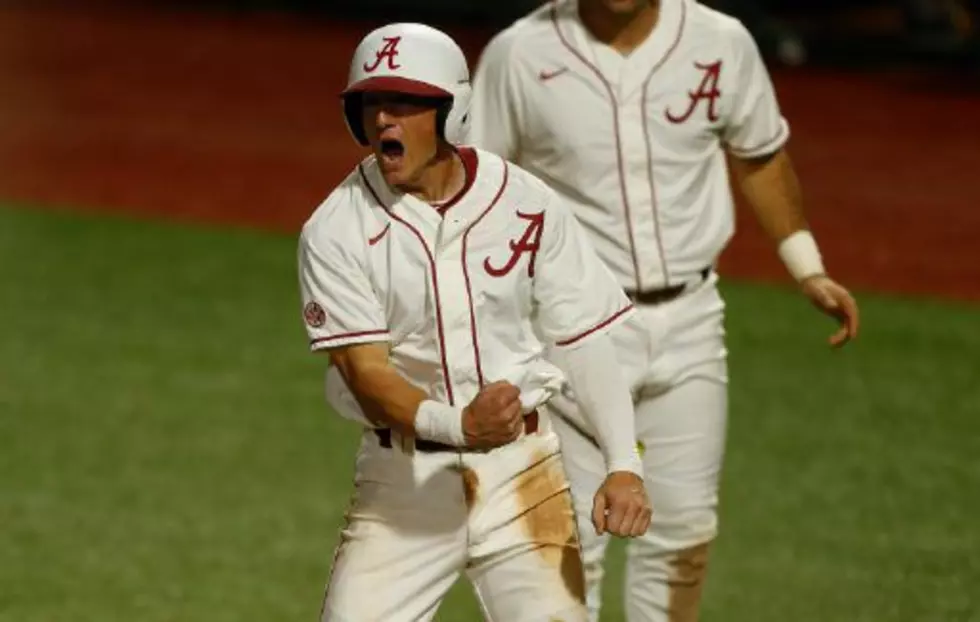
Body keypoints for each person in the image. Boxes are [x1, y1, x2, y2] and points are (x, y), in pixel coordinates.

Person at [469, 1, 861, 620]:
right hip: (568, 331)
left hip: (691, 321)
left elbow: (758, 154)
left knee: (681, 535)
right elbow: (476, 190)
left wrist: (806, 265)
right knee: (572, 542)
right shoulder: (519, 55)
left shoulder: (720, 41)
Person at [299, 22, 653, 622]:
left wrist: (624, 463)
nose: (385, 118)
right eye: (372, 103)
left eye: (407, 102)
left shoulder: (526, 201)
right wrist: (460, 423)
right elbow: (368, 376)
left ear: (451, 110)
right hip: (404, 488)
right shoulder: (336, 229)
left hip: (525, 476)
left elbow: (585, 335)